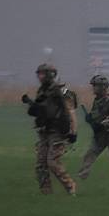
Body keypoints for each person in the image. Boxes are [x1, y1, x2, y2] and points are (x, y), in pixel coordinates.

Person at [21, 63, 77, 195]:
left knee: (52, 162)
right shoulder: (43, 90)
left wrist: (73, 131)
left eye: (42, 74)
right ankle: (46, 193)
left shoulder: (55, 91)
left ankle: (70, 186)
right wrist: (32, 105)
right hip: (44, 131)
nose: (39, 76)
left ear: (49, 75)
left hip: (56, 131)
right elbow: (37, 110)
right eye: (38, 74)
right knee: (41, 164)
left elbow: (49, 110)